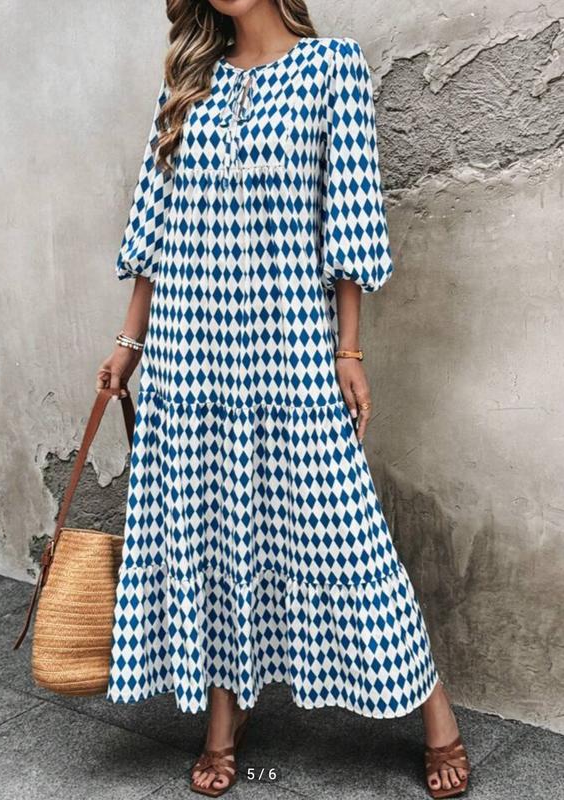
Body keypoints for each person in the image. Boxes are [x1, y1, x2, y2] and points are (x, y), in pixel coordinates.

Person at [96, 1, 471, 797]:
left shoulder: (330, 68)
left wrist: (348, 351)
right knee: (211, 533)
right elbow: (154, 223)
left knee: (345, 536)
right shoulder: (190, 83)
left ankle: (433, 710)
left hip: (290, 345)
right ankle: (223, 717)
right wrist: (129, 342)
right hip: (188, 352)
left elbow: (350, 216)